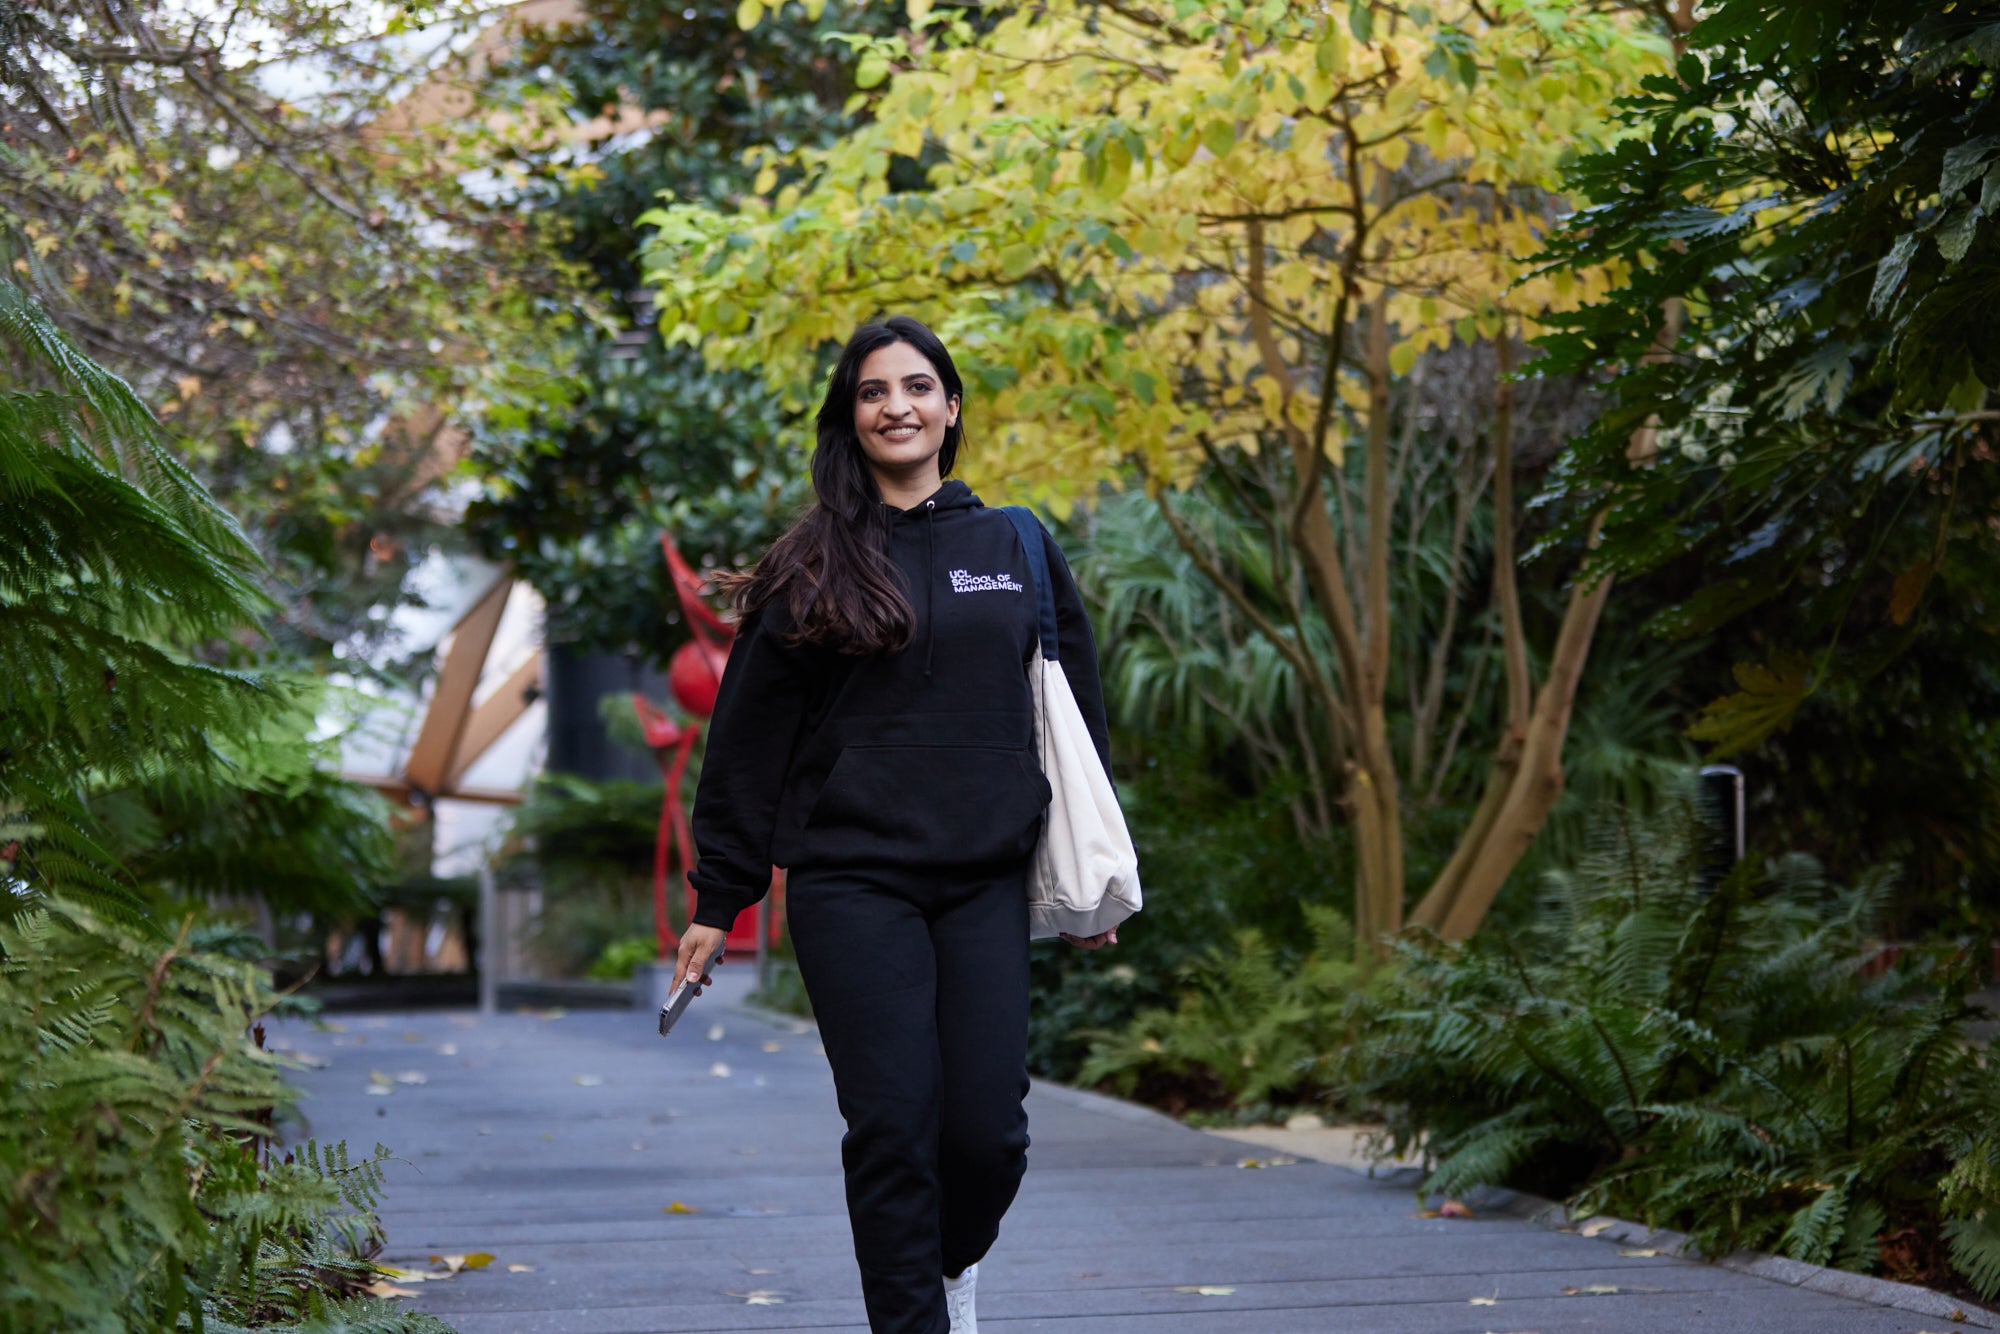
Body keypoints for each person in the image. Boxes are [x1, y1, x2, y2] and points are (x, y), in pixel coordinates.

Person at [671, 314, 1118, 1334]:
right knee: (889, 1125)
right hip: (850, 878)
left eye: (917, 386)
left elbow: (1073, 719)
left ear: (950, 407)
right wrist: (719, 899)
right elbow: (747, 738)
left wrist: (1089, 878)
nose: (897, 406)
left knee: (986, 1136)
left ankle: (943, 1264)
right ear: (850, 417)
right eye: (873, 392)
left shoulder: (1015, 543)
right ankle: (913, 1317)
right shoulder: (811, 559)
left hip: (981, 875)